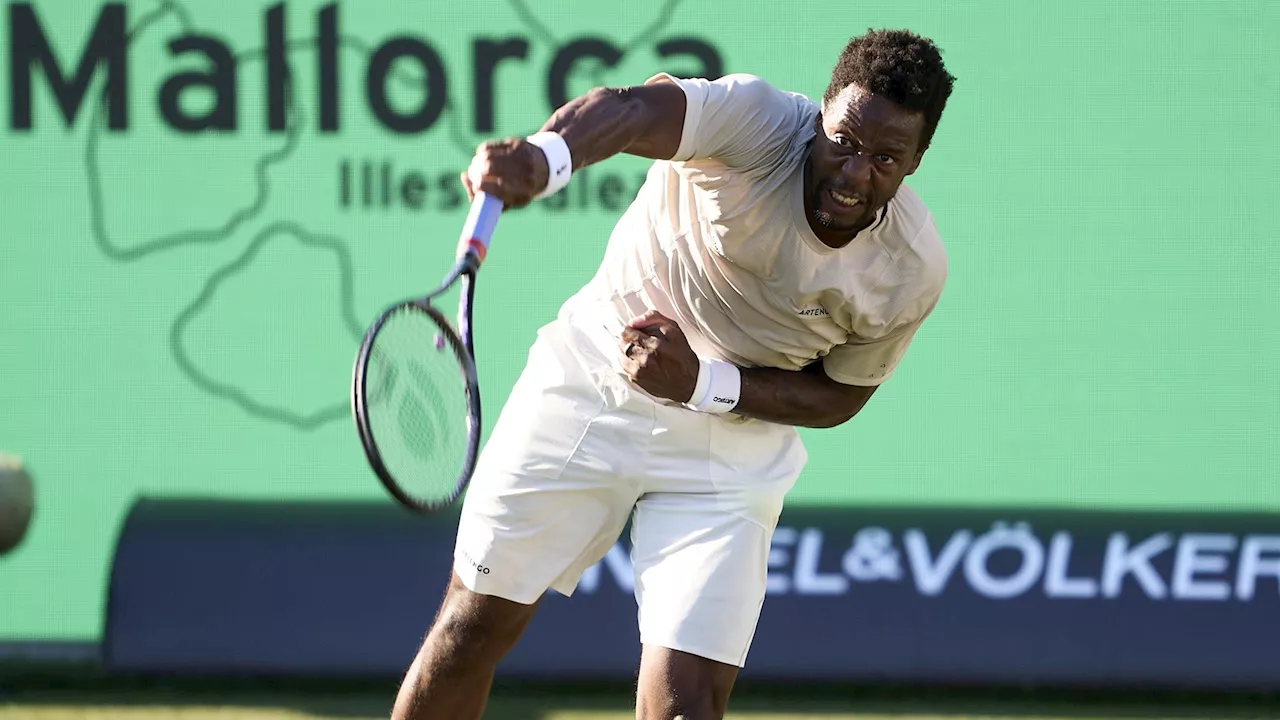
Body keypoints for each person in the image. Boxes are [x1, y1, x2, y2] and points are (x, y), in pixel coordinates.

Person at [392, 27, 956, 720]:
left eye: (885, 158)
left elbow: (840, 397)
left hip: (734, 446)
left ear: (916, 162)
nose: (853, 171)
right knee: (468, 630)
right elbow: (632, 110)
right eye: (842, 141)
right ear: (818, 118)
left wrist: (701, 384)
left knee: (685, 705)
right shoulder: (754, 120)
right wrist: (546, 158)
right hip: (591, 382)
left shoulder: (911, 268)